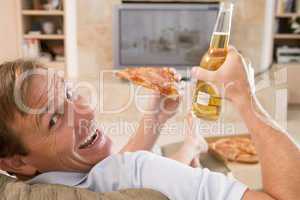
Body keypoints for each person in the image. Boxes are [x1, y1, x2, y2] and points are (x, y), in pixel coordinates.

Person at [0, 47, 298, 200]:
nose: (87, 111)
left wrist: (155, 118)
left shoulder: (40, 187)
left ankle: (191, 146)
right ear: (16, 160)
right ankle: (192, 147)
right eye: (54, 119)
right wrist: (244, 96)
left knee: (178, 157)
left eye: (68, 92)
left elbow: (113, 173)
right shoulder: (145, 169)